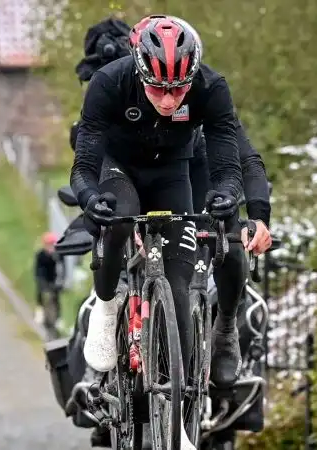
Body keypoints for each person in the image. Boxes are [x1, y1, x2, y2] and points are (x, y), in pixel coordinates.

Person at [71, 14, 248, 449]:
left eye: (178, 90)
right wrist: (91, 198)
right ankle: (109, 308)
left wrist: (227, 192)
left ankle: (181, 418)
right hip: (120, 168)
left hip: (173, 171)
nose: (169, 101)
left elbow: (228, 157)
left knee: (180, 280)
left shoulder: (210, 86)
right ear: (138, 68)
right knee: (117, 223)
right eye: (158, 89)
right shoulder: (109, 84)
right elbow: (84, 163)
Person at [34, 231, 66, 327]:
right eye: (49, 245)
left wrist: (62, 279)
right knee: (40, 293)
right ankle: (40, 312)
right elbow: (38, 269)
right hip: (44, 278)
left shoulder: (58, 255)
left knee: (56, 298)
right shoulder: (41, 255)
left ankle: (58, 319)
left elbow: (62, 268)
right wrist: (40, 280)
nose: (50, 247)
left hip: (54, 279)